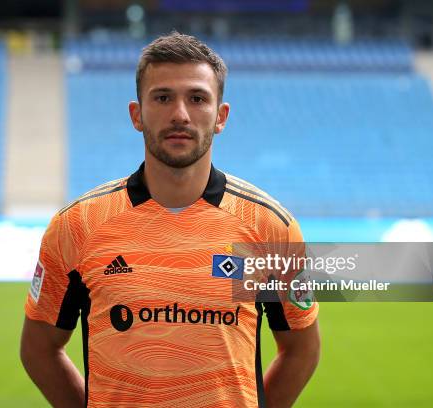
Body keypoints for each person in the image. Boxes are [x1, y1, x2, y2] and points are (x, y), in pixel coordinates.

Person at [20, 32, 320, 408]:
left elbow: (301, 349)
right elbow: (39, 348)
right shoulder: (78, 225)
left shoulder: (269, 227)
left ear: (221, 116)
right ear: (137, 114)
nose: (180, 113)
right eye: (163, 98)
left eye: (197, 98)